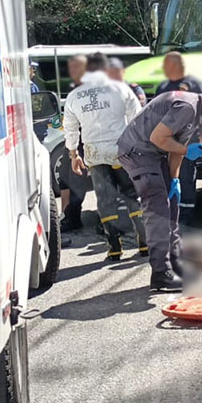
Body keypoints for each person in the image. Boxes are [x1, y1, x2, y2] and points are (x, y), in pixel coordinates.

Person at [117, 88, 202, 291]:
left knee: (172, 206)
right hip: (138, 152)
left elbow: (175, 148)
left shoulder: (196, 112)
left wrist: (174, 180)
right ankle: (160, 274)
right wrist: (185, 150)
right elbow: (159, 138)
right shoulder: (187, 107)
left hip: (152, 154)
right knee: (158, 210)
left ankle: (175, 263)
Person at [62, 53, 147, 262]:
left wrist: (74, 154)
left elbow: (70, 128)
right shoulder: (121, 88)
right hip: (121, 151)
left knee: (104, 199)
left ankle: (114, 248)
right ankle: (144, 243)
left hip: (94, 154)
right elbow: (137, 119)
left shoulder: (75, 96)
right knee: (132, 195)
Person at [155, 52, 202, 225]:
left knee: (185, 177)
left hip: (188, 138)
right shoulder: (163, 86)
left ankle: (185, 217)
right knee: (168, 178)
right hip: (166, 139)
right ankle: (171, 214)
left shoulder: (195, 84)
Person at [58, 54, 89, 232]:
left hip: (87, 141)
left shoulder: (85, 92)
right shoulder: (75, 91)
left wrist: (74, 151)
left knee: (78, 180)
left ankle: (73, 217)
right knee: (65, 175)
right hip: (77, 141)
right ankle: (68, 214)